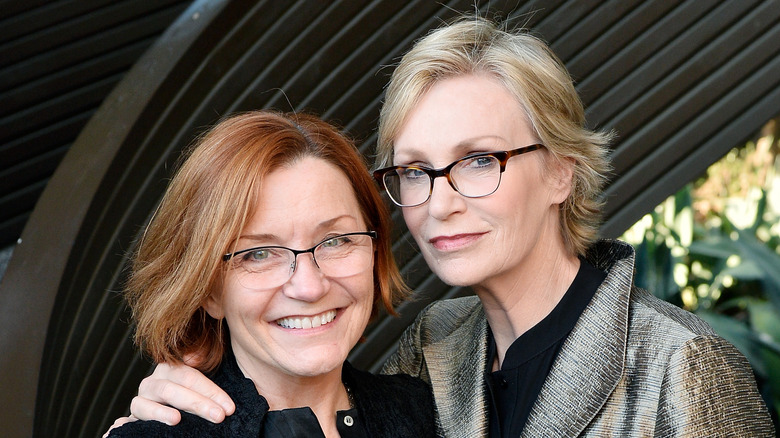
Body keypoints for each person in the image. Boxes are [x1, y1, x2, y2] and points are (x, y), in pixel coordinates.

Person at [111, 18, 775, 437]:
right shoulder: (431, 354)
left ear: (560, 173)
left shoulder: (682, 366)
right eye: (416, 170)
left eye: (480, 160)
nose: (441, 201)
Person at [106, 110, 436, 437]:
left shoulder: (425, 411)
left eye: (335, 241)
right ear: (208, 290)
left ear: (374, 249)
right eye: (259, 254)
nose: (308, 287)